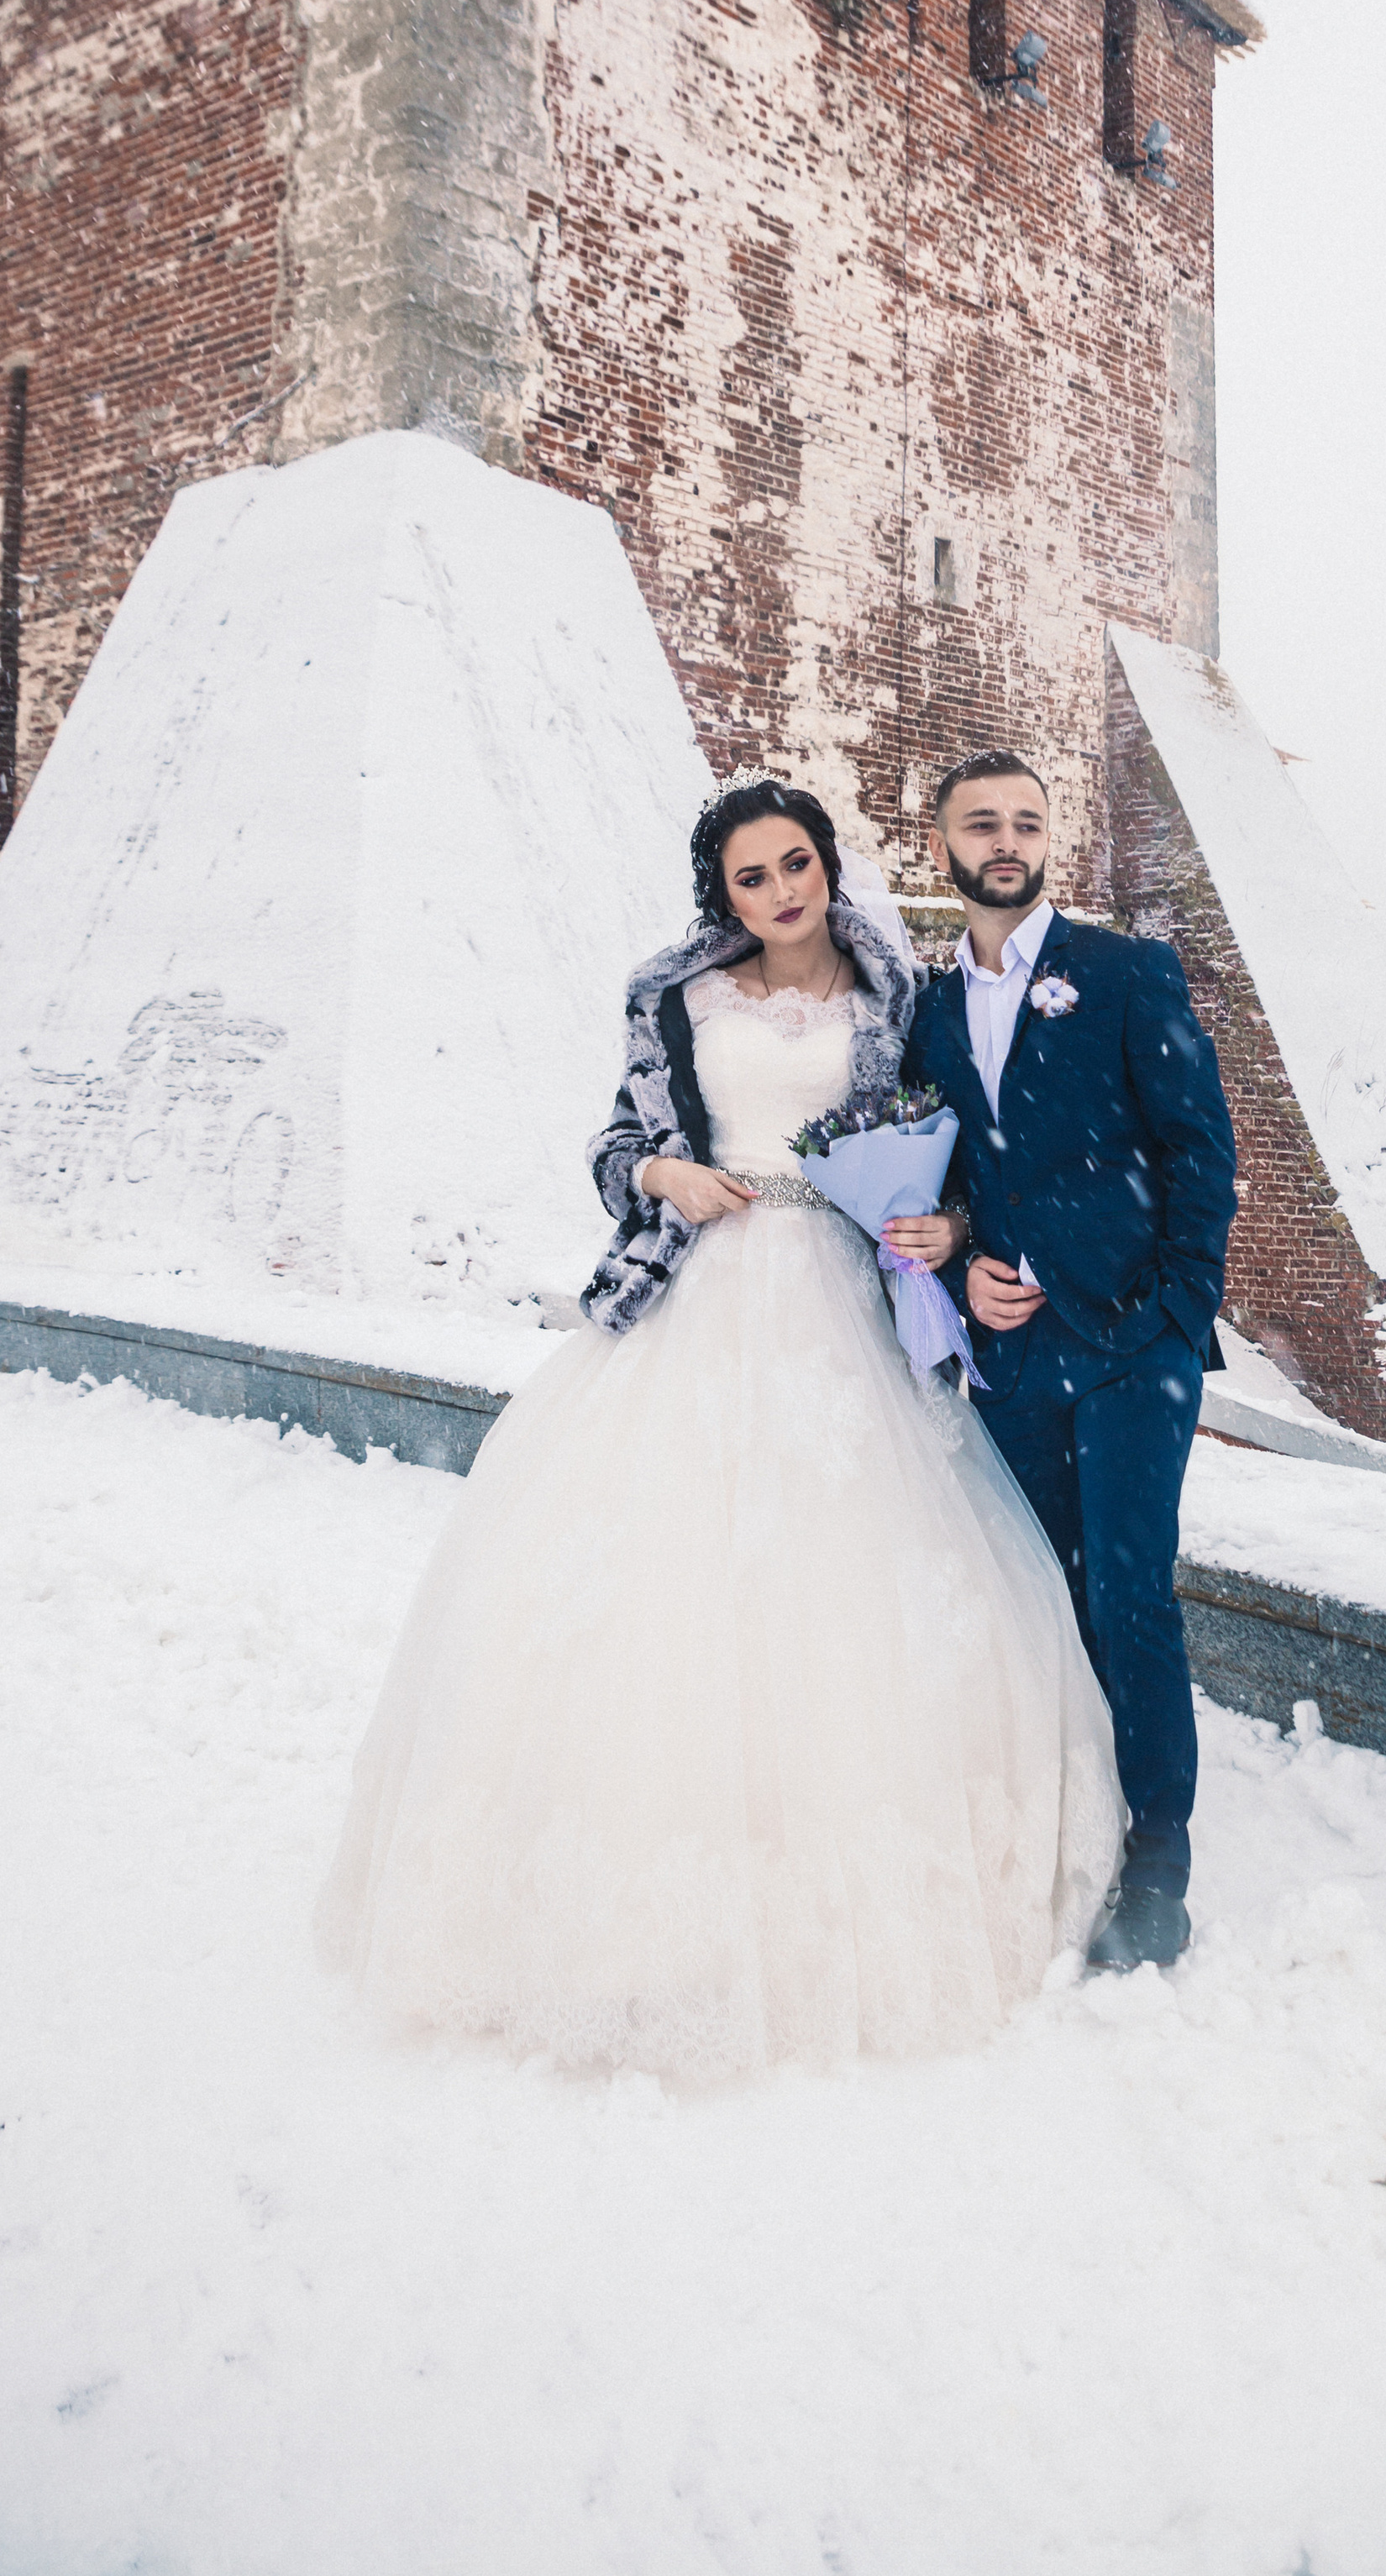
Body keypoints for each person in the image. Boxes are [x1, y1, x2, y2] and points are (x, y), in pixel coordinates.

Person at [318, 769, 1123, 2085]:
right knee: (660, 1591)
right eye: (752, 877)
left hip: (843, 1305)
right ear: (724, 895)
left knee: (849, 1586)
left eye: (796, 864)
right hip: (702, 1287)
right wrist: (656, 1172)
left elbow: (957, 1159)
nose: (781, 893)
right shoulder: (672, 999)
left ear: (827, 863)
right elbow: (611, 1141)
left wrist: (956, 1228)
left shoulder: (898, 996)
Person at [898, 750, 1238, 1972]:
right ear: (940, 840)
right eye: (982, 823)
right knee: (1042, 1602)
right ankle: (1069, 1825)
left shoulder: (1125, 973)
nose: (1006, 841)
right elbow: (943, 1181)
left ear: (1052, 840)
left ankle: (1156, 1863)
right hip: (1011, 1357)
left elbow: (1202, 1151)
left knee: (1130, 1597)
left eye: (1027, 823)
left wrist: (1177, 1313)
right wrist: (958, 1265)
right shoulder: (929, 1013)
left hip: (1130, 1347)